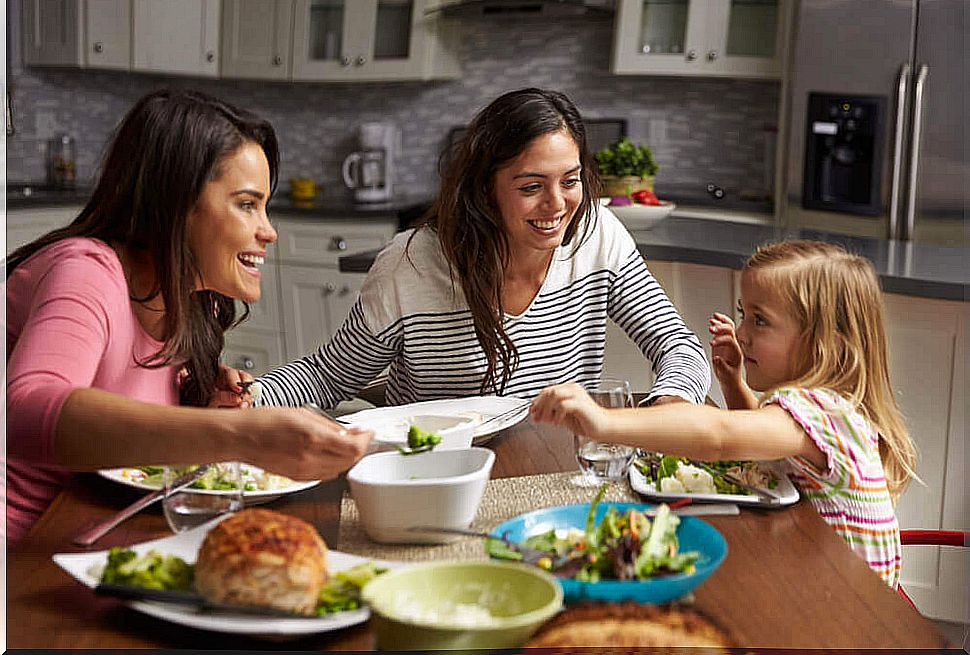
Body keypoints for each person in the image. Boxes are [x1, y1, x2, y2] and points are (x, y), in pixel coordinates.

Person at [5, 89, 372, 546]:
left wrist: (200, 409)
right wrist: (237, 434)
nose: (269, 230)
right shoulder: (86, 271)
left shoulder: (194, 297)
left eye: (265, 206)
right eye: (245, 204)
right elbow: (23, 411)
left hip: (105, 532)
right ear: (176, 205)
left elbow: (132, 432)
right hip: (23, 552)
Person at [253, 88, 710, 409]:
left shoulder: (598, 234)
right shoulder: (410, 264)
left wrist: (670, 400)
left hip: (557, 470)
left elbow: (677, 344)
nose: (557, 204)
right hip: (439, 477)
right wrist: (248, 396)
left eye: (570, 181)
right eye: (532, 186)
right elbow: (329, 376)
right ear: (485, 190)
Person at [530, 240, 918, 588]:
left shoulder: (823, 412)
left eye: (760, 320)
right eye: (743, 314)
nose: (742, 332)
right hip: (819, 578)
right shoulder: (826, 408)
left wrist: (606, 423)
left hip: (849, 610)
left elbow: (720, 436)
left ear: (823, 346)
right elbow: (763, 444)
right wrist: (734, 383)